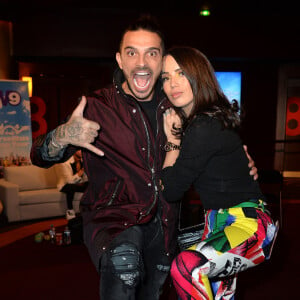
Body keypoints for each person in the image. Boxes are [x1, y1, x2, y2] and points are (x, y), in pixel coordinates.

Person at [30, 16, 258, 300]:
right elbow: (38, 155)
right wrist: (62, 136)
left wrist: (237, 162)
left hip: (164, 226)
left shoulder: (179, 107)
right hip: (116, 223)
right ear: (120, 60)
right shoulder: (96, 108)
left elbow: (210, 149)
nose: (141, 62)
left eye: (151, 53)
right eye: (131, 52)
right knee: (123, 264)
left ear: (162, 60)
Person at [160, 46, 278, 300]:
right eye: (166, 77)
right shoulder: (204, 121)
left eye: (181, 73)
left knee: (185, 269)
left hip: (247, 226)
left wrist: (173, 141)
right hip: (220, 225)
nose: (173, 83)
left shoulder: (203, 125)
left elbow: (171, 190)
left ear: (198, 75)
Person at [56, 149, 88, 220]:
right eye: (79, 150)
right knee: (71, 186)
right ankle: (70, 210)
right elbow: (69, 181)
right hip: (65, 185)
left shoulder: (83, 161)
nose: (82, 152)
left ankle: (91, 209)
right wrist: (80, 172)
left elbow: (86, 179)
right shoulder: (65, 163)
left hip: (78, 184)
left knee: (91, 184)